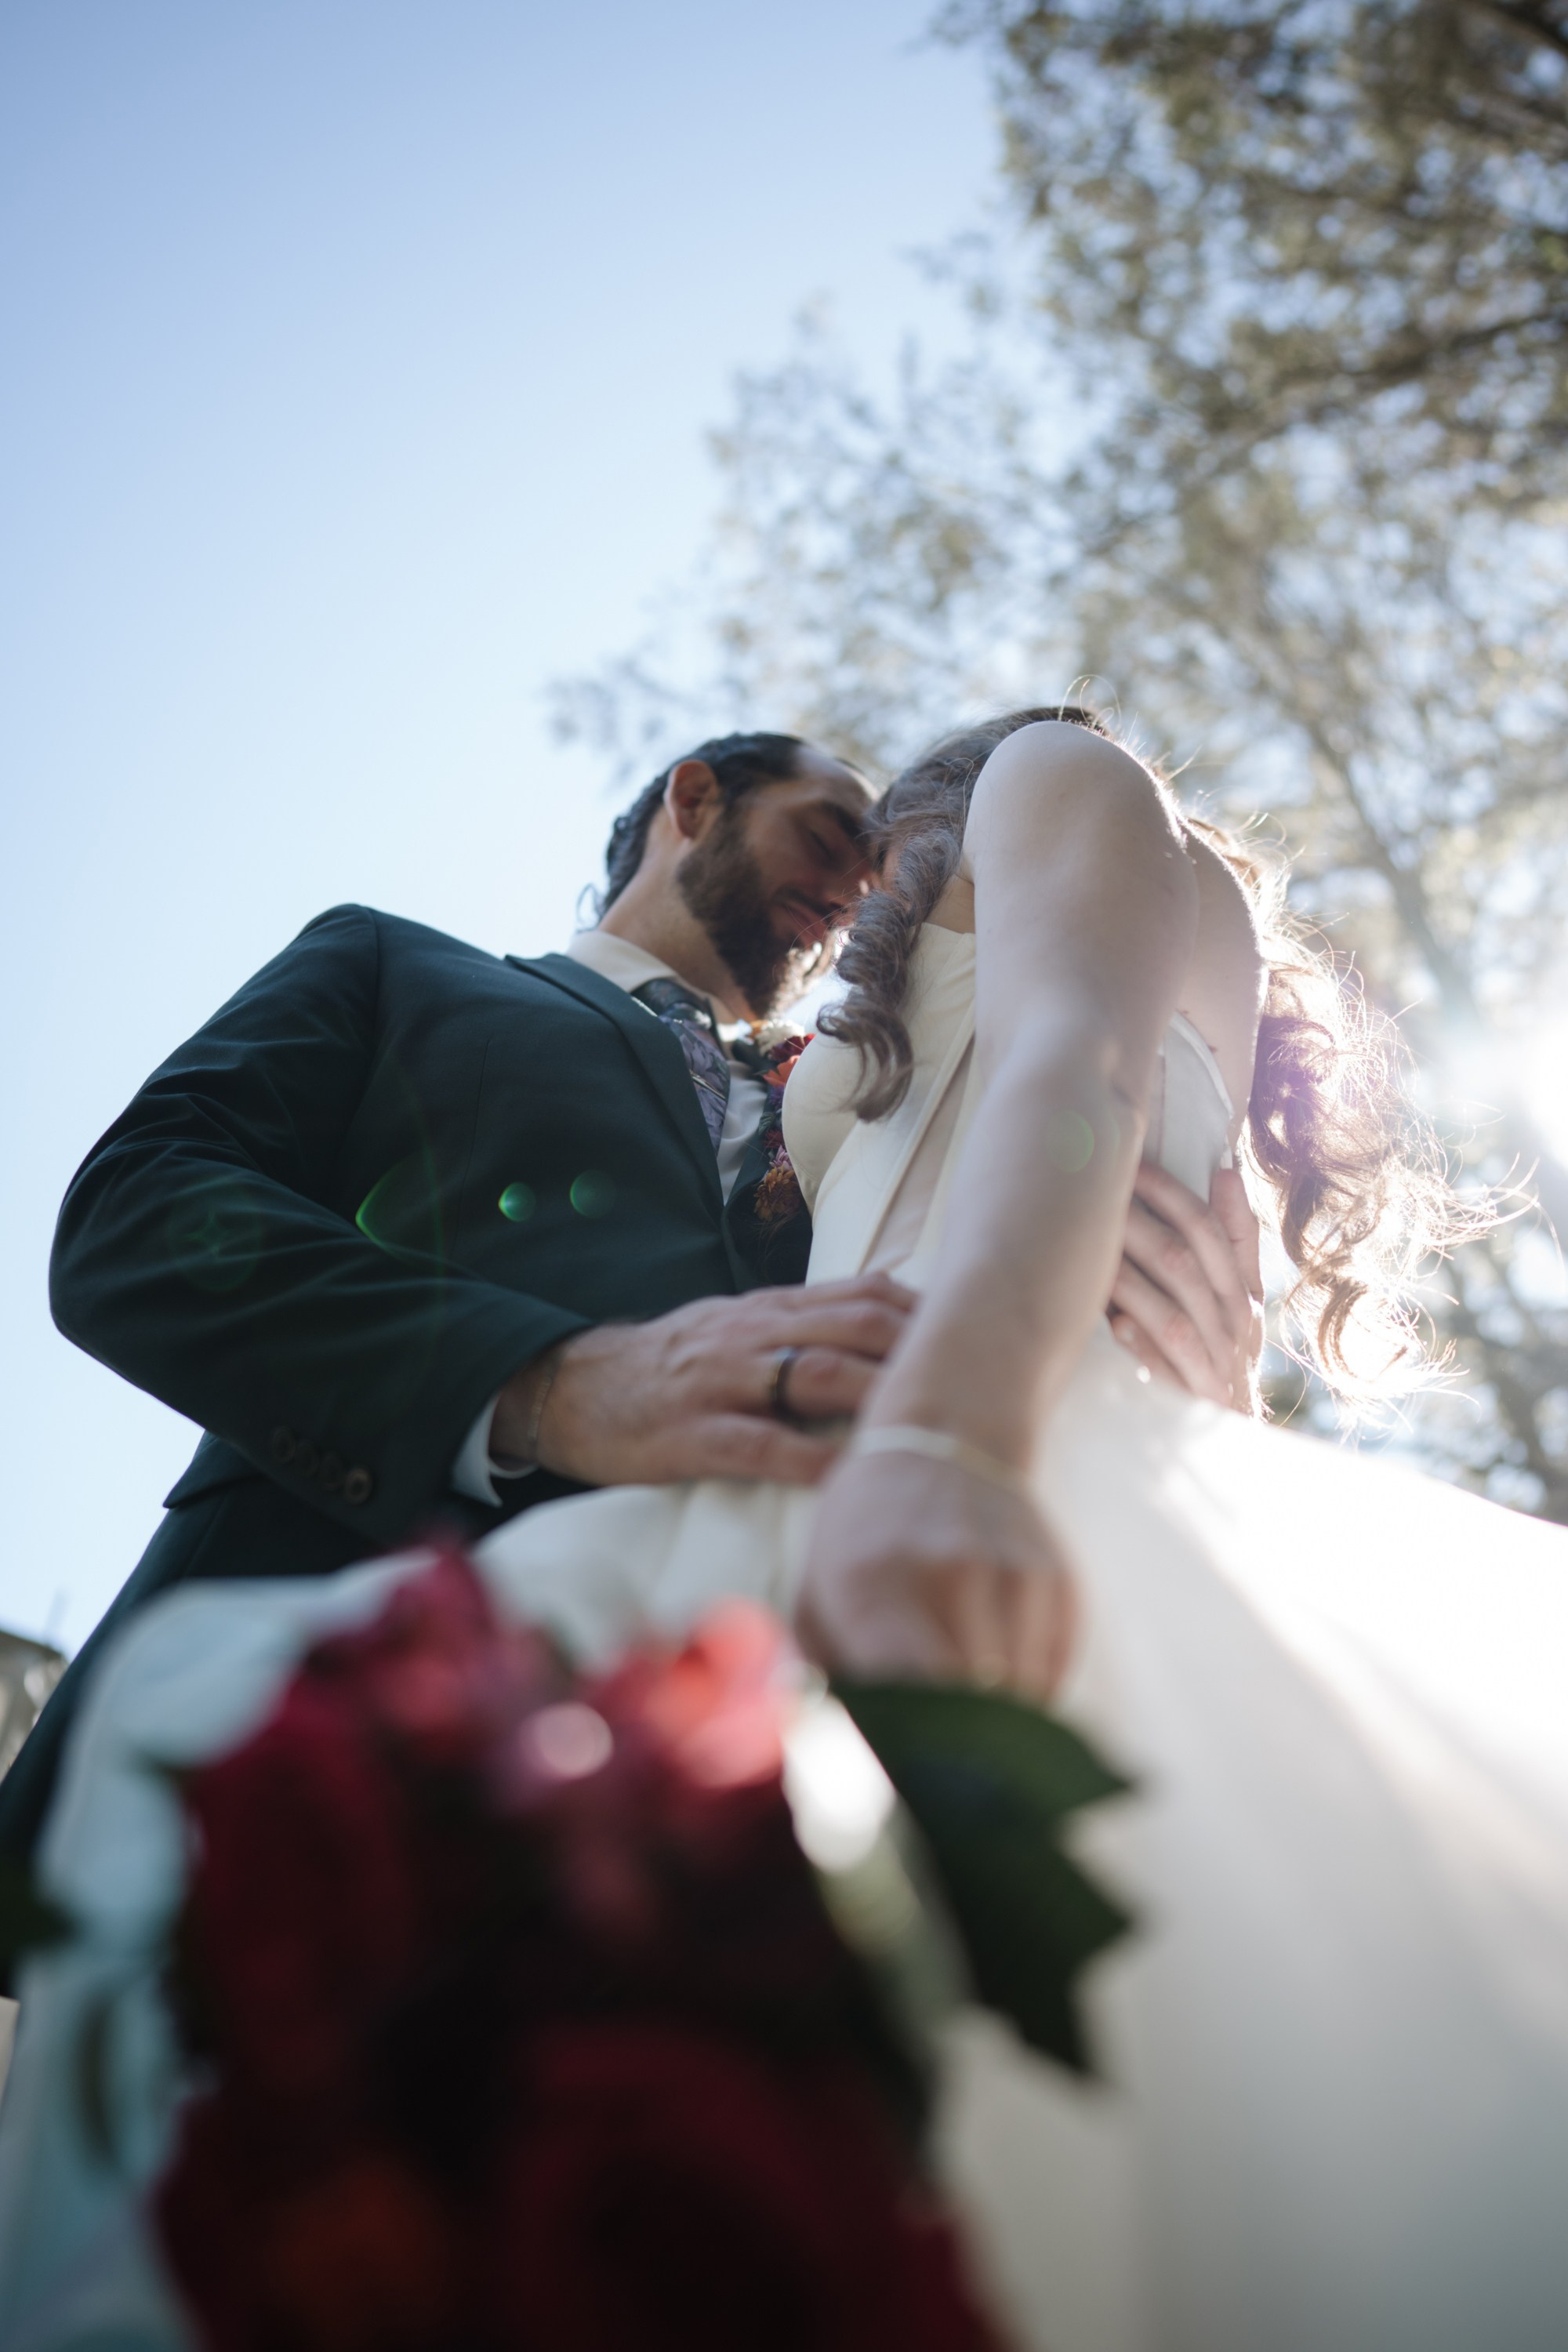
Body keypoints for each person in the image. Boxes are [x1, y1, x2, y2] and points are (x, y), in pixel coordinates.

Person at [0, 726, 1254, 1889]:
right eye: (828, 832)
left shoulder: (862, 1095)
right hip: (300, 1711)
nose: (856, 887)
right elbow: (140, 1214)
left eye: (881, 869)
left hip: (745, 1762)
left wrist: (1170, 1374)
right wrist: (546, 1381)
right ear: (696, 799)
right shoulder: (391, 965)